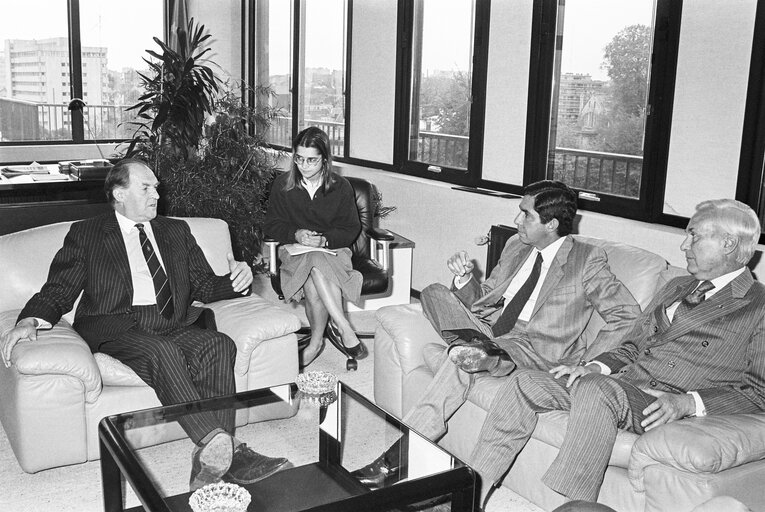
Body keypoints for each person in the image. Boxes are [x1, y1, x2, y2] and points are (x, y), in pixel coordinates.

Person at [0, 158, 289, 491]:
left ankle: (211, 461)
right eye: (146, 187)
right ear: (119, 193)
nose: (156, 194)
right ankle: (226, 449)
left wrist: (236, 280)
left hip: (173, 318)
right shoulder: (88, 234)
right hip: (117, 324)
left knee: (219, 344)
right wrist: (29, 319)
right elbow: (59, 289)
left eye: (156, 188)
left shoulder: (176, 230)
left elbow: (204, 285)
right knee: (162, 351)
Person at [469, 198, 765, 506]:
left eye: (694, 236)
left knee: (598, 390)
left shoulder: (758, 304)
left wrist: (688, 403)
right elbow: (633, 345)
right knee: (526, 381)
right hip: (622, 385)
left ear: (728, 243)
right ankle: (471, 492)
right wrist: (595, 367)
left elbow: (760, 392)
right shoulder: (677, 286)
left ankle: (574, 506)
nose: (684, 245)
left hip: (661, 402)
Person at [353, 180, 640, 496]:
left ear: (552, 224)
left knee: (463, 356)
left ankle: (400, 457)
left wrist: (590, 364)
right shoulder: (517, 247)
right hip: (492, 331)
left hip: (533, 349)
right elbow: (486, 299)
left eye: (525, 215)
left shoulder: (587, 259)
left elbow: (626, 315)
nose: (517, 221)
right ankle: (481, 350)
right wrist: (464, 280)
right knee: (435, 292)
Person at [264, 126, 366, 367]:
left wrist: (324, 240)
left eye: (312, 160)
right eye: (299, 159)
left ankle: (316, 343)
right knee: (313, 262)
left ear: (325, 159)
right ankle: (343, 326)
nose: (304, 165)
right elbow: (271, 226)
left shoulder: (340, 186)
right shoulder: (283, 185)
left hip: (333, 250)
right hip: (295, 251)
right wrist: (296, 234)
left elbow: (351, 229)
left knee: (315, 275)